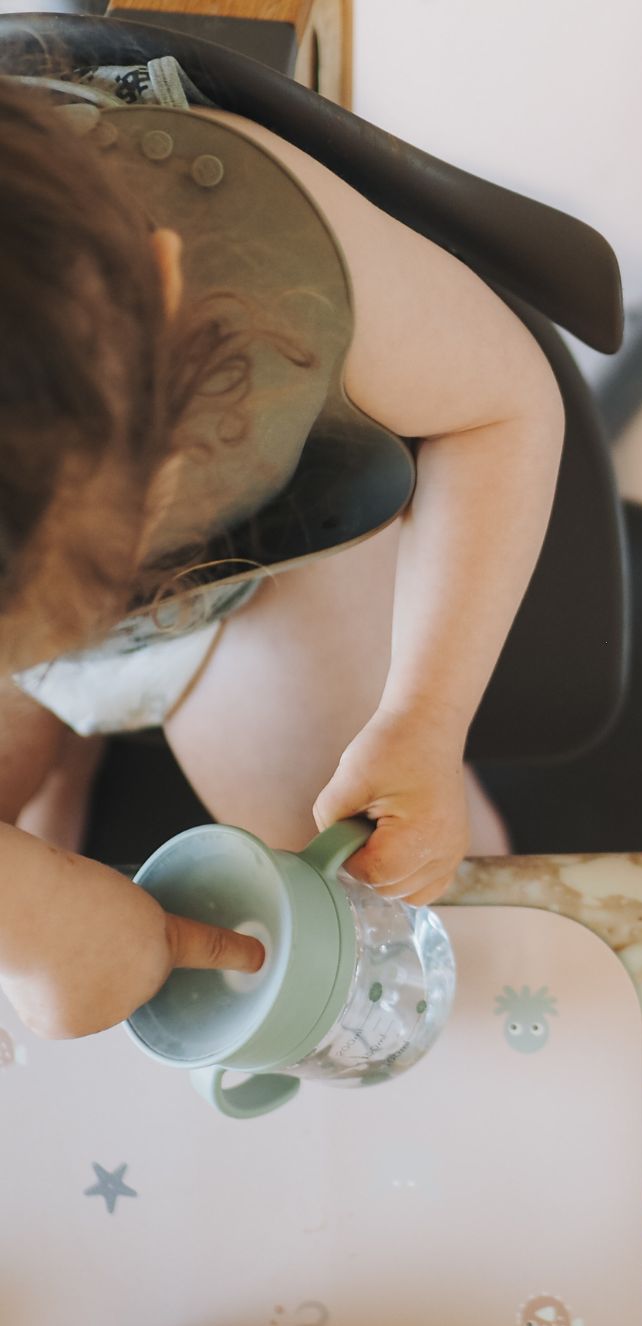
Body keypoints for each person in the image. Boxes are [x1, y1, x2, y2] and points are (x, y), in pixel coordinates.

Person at [0, 60, 566, 1040]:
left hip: (254, 557)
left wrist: (425, 718)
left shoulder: (260, 255)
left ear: (164, 288)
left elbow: (502, 411)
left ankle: (63, 740)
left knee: (379, 898)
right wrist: (23, 904)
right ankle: (58, 743)